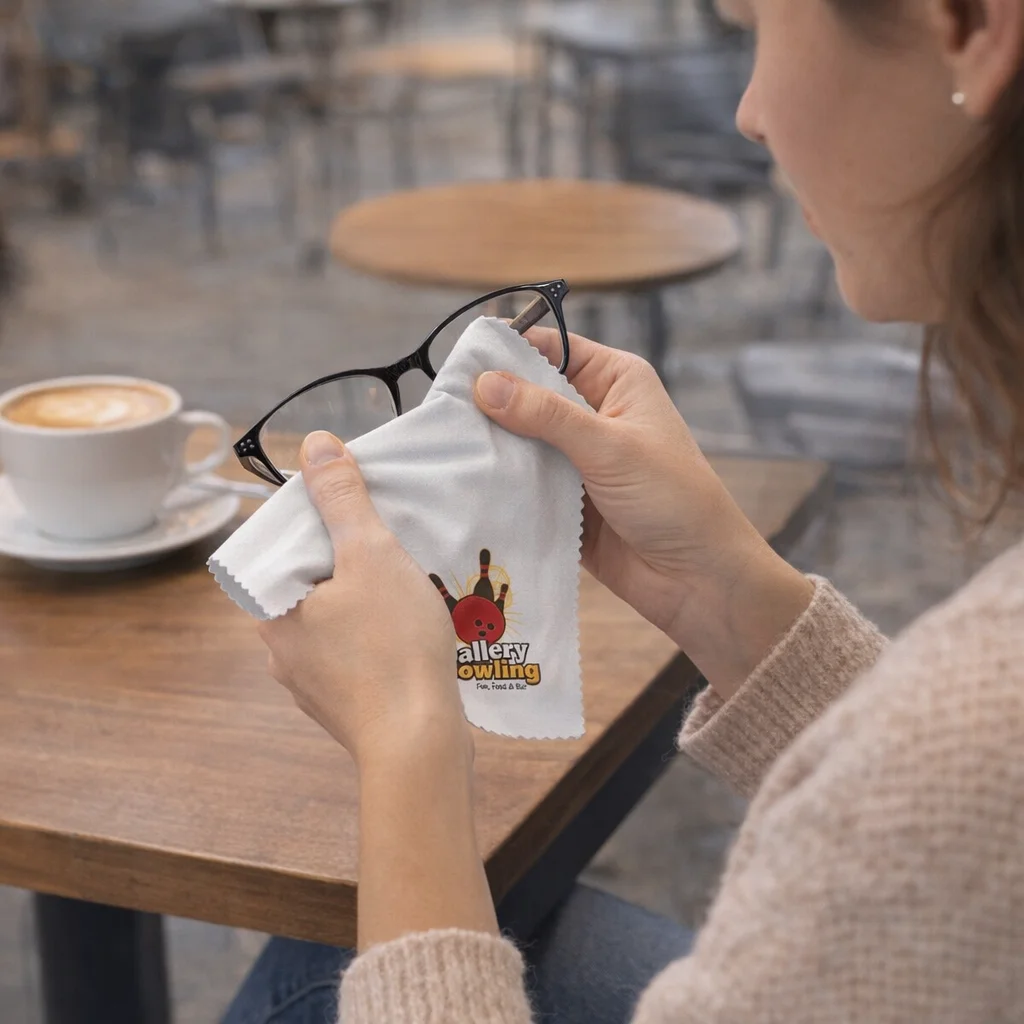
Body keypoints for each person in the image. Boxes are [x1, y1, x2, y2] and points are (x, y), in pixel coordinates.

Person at [223, 0, 1024, 1021]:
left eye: (759, 29)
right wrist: (726, 594)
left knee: (326, 963)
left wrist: (408, 741)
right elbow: (965, 839)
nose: (748, 113)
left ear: (968, 26)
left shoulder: (968, 721)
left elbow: (950, 786)